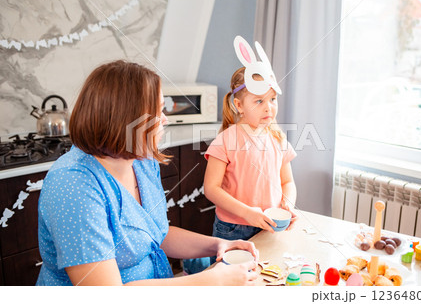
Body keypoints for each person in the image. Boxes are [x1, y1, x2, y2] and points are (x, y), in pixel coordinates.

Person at [36, 60, 258, 286]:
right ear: (125, 119)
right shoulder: (73, 185)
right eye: (158, 111)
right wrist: (210, 281)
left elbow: (156, 235)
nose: (165, 119)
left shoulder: (141, 160)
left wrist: (218, 244)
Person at [204, 36, 298, 242]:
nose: (269, 107)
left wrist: (288, 204)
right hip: (233, 229)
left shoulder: (278, 138)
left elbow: (288, 181)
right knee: (231, 274)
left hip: (269, 226)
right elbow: (211, 189)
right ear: (239, 106)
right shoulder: (225, 141)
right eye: (259, 101)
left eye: (273, 99)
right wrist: (247, 213)